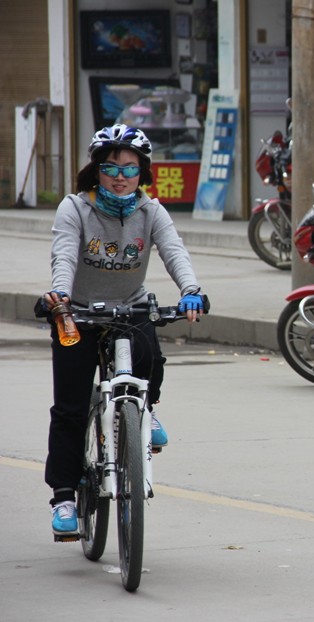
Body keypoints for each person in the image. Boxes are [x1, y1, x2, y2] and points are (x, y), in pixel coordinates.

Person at [42, 124, 207, 538]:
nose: (120, 176)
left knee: (150, 352)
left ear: (143, 174)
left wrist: (191, 290)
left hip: (129, 306)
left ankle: (144, 412)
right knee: (70, 408)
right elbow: (63, 254)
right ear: (96, 169)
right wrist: (60, 295)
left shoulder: (151, 212)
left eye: (130, 169)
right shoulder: (74, 208)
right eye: (111, 166)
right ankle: (63, 496)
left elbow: (174, 251)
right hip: (76, 312)